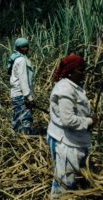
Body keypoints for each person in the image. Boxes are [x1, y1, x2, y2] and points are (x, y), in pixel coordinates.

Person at [47, 55, 97, 199]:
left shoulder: (72, 85)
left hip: (71, 139)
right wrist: (89, 121)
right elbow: (68, 120)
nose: (84, 72)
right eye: (81, 70)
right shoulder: (66, 90)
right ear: (70, 71)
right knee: (64, 184)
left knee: (71, 179)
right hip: (67, 143)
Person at [9, 38, 34, 135]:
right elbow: (23, 80)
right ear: (19, 48)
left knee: (17, 116)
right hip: (21, 94)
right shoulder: (21, 60)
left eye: (27, 46)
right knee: (25, 117)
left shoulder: (18, 58)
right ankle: (24, 138)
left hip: (17, 93)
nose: (27, 49)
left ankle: (15, 136)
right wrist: (29, 96)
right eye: (24, 47)